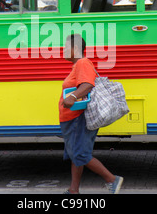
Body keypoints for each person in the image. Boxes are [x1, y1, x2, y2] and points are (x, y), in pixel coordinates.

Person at [59, 33, 123, 194]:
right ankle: (74, 189)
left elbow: (87, 84)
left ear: (75, 49)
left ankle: (112, 179)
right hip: (72, 119)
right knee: (77, 154)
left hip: (77, 119)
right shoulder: (77, 65)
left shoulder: (83, 63)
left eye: (66, 47)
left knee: (81, 153)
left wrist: (72, 97)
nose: (63, 50)